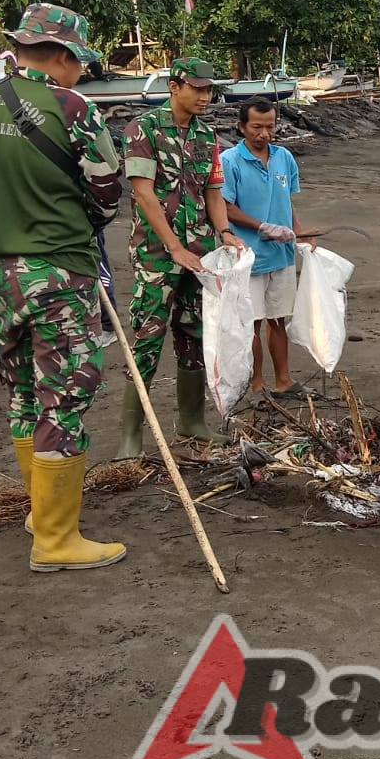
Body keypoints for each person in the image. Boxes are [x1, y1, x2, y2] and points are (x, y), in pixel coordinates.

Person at [0, 2, 126, 572]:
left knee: (21, 392)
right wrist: (58, 220)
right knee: (64, 395)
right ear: (61, 55)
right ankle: (57, 541)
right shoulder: (71, 107)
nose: (81, 72)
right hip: (58, 268)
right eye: (79, 62)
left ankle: (42, 514)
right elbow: (106, 191)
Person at [118, 57, 248, 458]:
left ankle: (192, 422)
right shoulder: (144, 129)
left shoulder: (207, 135)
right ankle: (130, 435)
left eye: (209, 89)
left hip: (201, 255)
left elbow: (213, 190)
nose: (206, 96)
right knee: (147, 337)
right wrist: (173, 246)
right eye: (198, 88)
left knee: (194, 334)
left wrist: (224, 232)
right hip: (157, 255)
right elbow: (143, 193)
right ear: (174, 86)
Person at [221, 98, 307, 402]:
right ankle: (256, 385)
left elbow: (287, 201)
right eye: (256, 127)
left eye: (270, 126)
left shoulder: (284, 157)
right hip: (249, 256)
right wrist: (262, 227)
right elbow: (225, 206)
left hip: (281, 253)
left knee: (278, 319)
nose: (264, 133)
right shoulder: (230, 161)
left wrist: (300, 233)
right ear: (242, 126)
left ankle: (283, 380)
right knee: (252, 323)